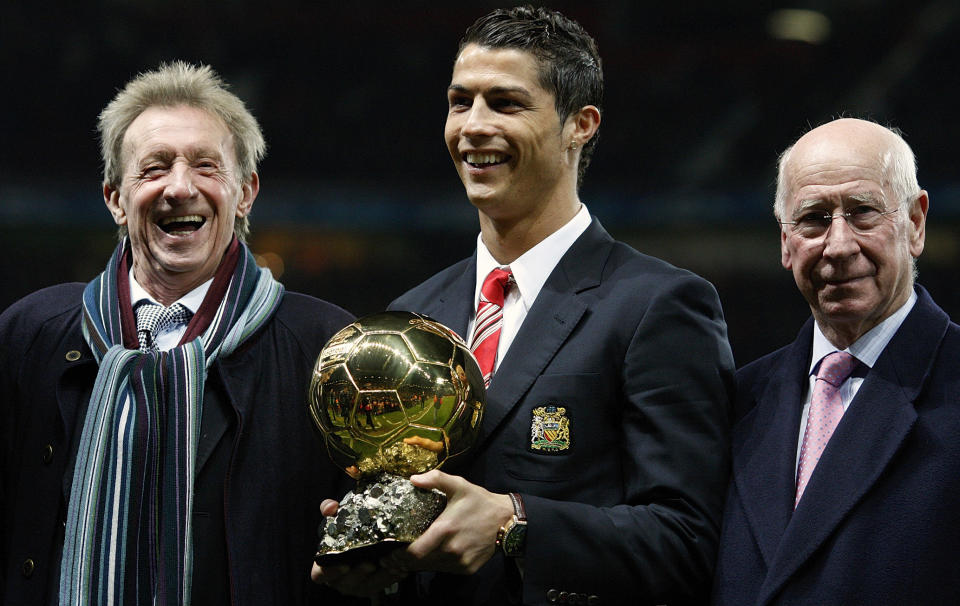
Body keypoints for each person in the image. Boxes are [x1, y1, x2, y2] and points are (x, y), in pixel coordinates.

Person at [314, 6, 735, 604]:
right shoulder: (411, 313)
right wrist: (371, 543)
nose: (472, 127)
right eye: (461, 102)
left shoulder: (658, 306)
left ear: (580, 125)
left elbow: (690, 541)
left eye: (505, 104)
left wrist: (515, 522)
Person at [0, 61, 356, 605]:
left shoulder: (327, 345)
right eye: (154, 168)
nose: (180, 188)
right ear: (115, 198)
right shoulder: (30, 333)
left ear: (245, 193)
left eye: (206, 166)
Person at [711, 118, 960, 605]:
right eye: (814, 218)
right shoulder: (735, 402)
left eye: (863, 212)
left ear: (915, 222)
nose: (839, 245)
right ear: (785, 241)